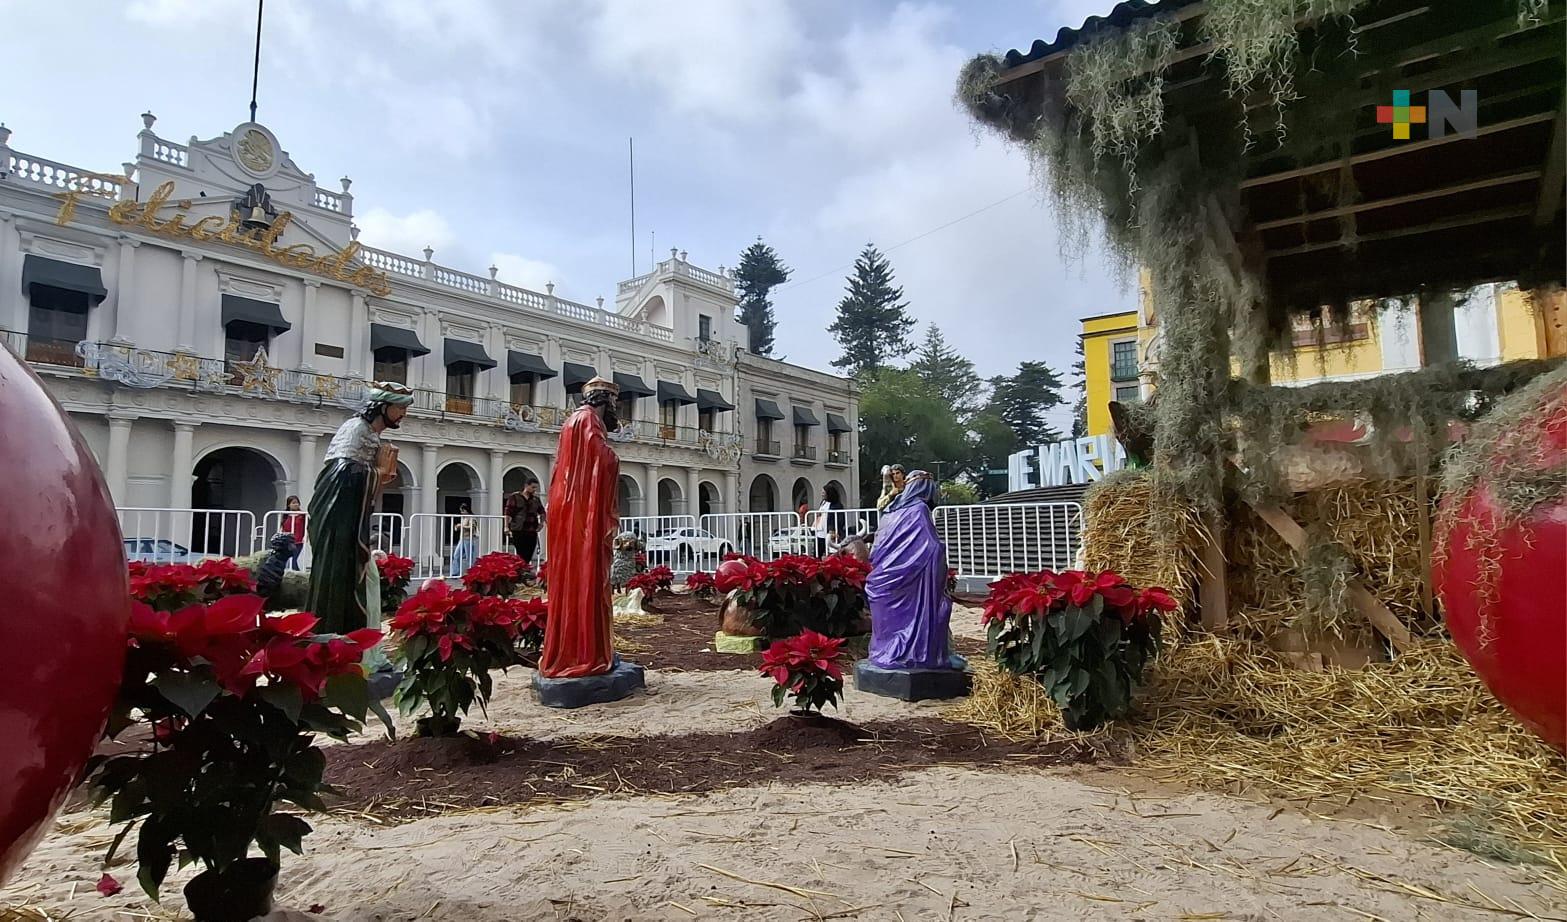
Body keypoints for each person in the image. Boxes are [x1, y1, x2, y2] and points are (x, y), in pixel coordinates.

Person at [306, 382, 413, 634]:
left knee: (367, 580)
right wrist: (378, 473)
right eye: (400, 408)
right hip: (339, 521)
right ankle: (339, 636)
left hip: (352, 519)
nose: (404, 414)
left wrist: (378, 475)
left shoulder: (372, 434)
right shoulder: (356, 428)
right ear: (382, 407)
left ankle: (363, 640)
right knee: (346, 577)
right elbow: (341, 474)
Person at [539, 377, 622, 679]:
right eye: (613, 403)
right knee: (587, 577)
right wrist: (614, 457)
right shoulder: (589, 422)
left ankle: (574, 649)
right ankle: (586, 653)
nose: (615, 410)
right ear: (603, 400)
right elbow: (602, 459)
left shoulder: (572, 421)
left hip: (568, 511)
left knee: (572, 578)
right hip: (582, 515)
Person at [865, 470, 958, 671]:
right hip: (908, 579)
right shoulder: (919, 510)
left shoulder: (891, 511)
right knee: (940, 607)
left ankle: (886, 650)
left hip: (883, 580)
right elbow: (930, 547)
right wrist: (940, 553)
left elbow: (879, 548)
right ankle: (918, 653)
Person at [507, 478, 545, 564]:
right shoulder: (515, 497)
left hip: (532, 530)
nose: (534, 490)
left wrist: (541, 523)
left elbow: (542, 512)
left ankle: (525, 571)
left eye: (535, 488)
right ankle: (522, 571)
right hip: (518, 529)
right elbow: (508, 512)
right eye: (533, 487)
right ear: (526, 486)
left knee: (529, 553)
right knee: (521, 554)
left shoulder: (536, 499)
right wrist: (506, 526)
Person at [449, 503, 478, 577]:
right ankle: (455, 572)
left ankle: (472, 573)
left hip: (469, 539)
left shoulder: (471, 517)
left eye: (462, 511)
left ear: (466, 510)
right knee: (456, 555)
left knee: (469, 557)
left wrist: (461, 526)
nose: (461, 513)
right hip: (462, 539)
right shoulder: (464, 518)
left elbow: (472, 527)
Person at [281, 495, 306, 571]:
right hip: (287, 541)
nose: (296, 504)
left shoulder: (302, 515)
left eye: (297, 503)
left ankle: (298, 577)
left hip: (298, 541)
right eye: (294, 503)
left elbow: (306, 527)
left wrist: (305, 536)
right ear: (289, 504)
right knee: (287, 560)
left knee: (293, 560)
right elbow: (282, 527)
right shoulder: (285, 515)